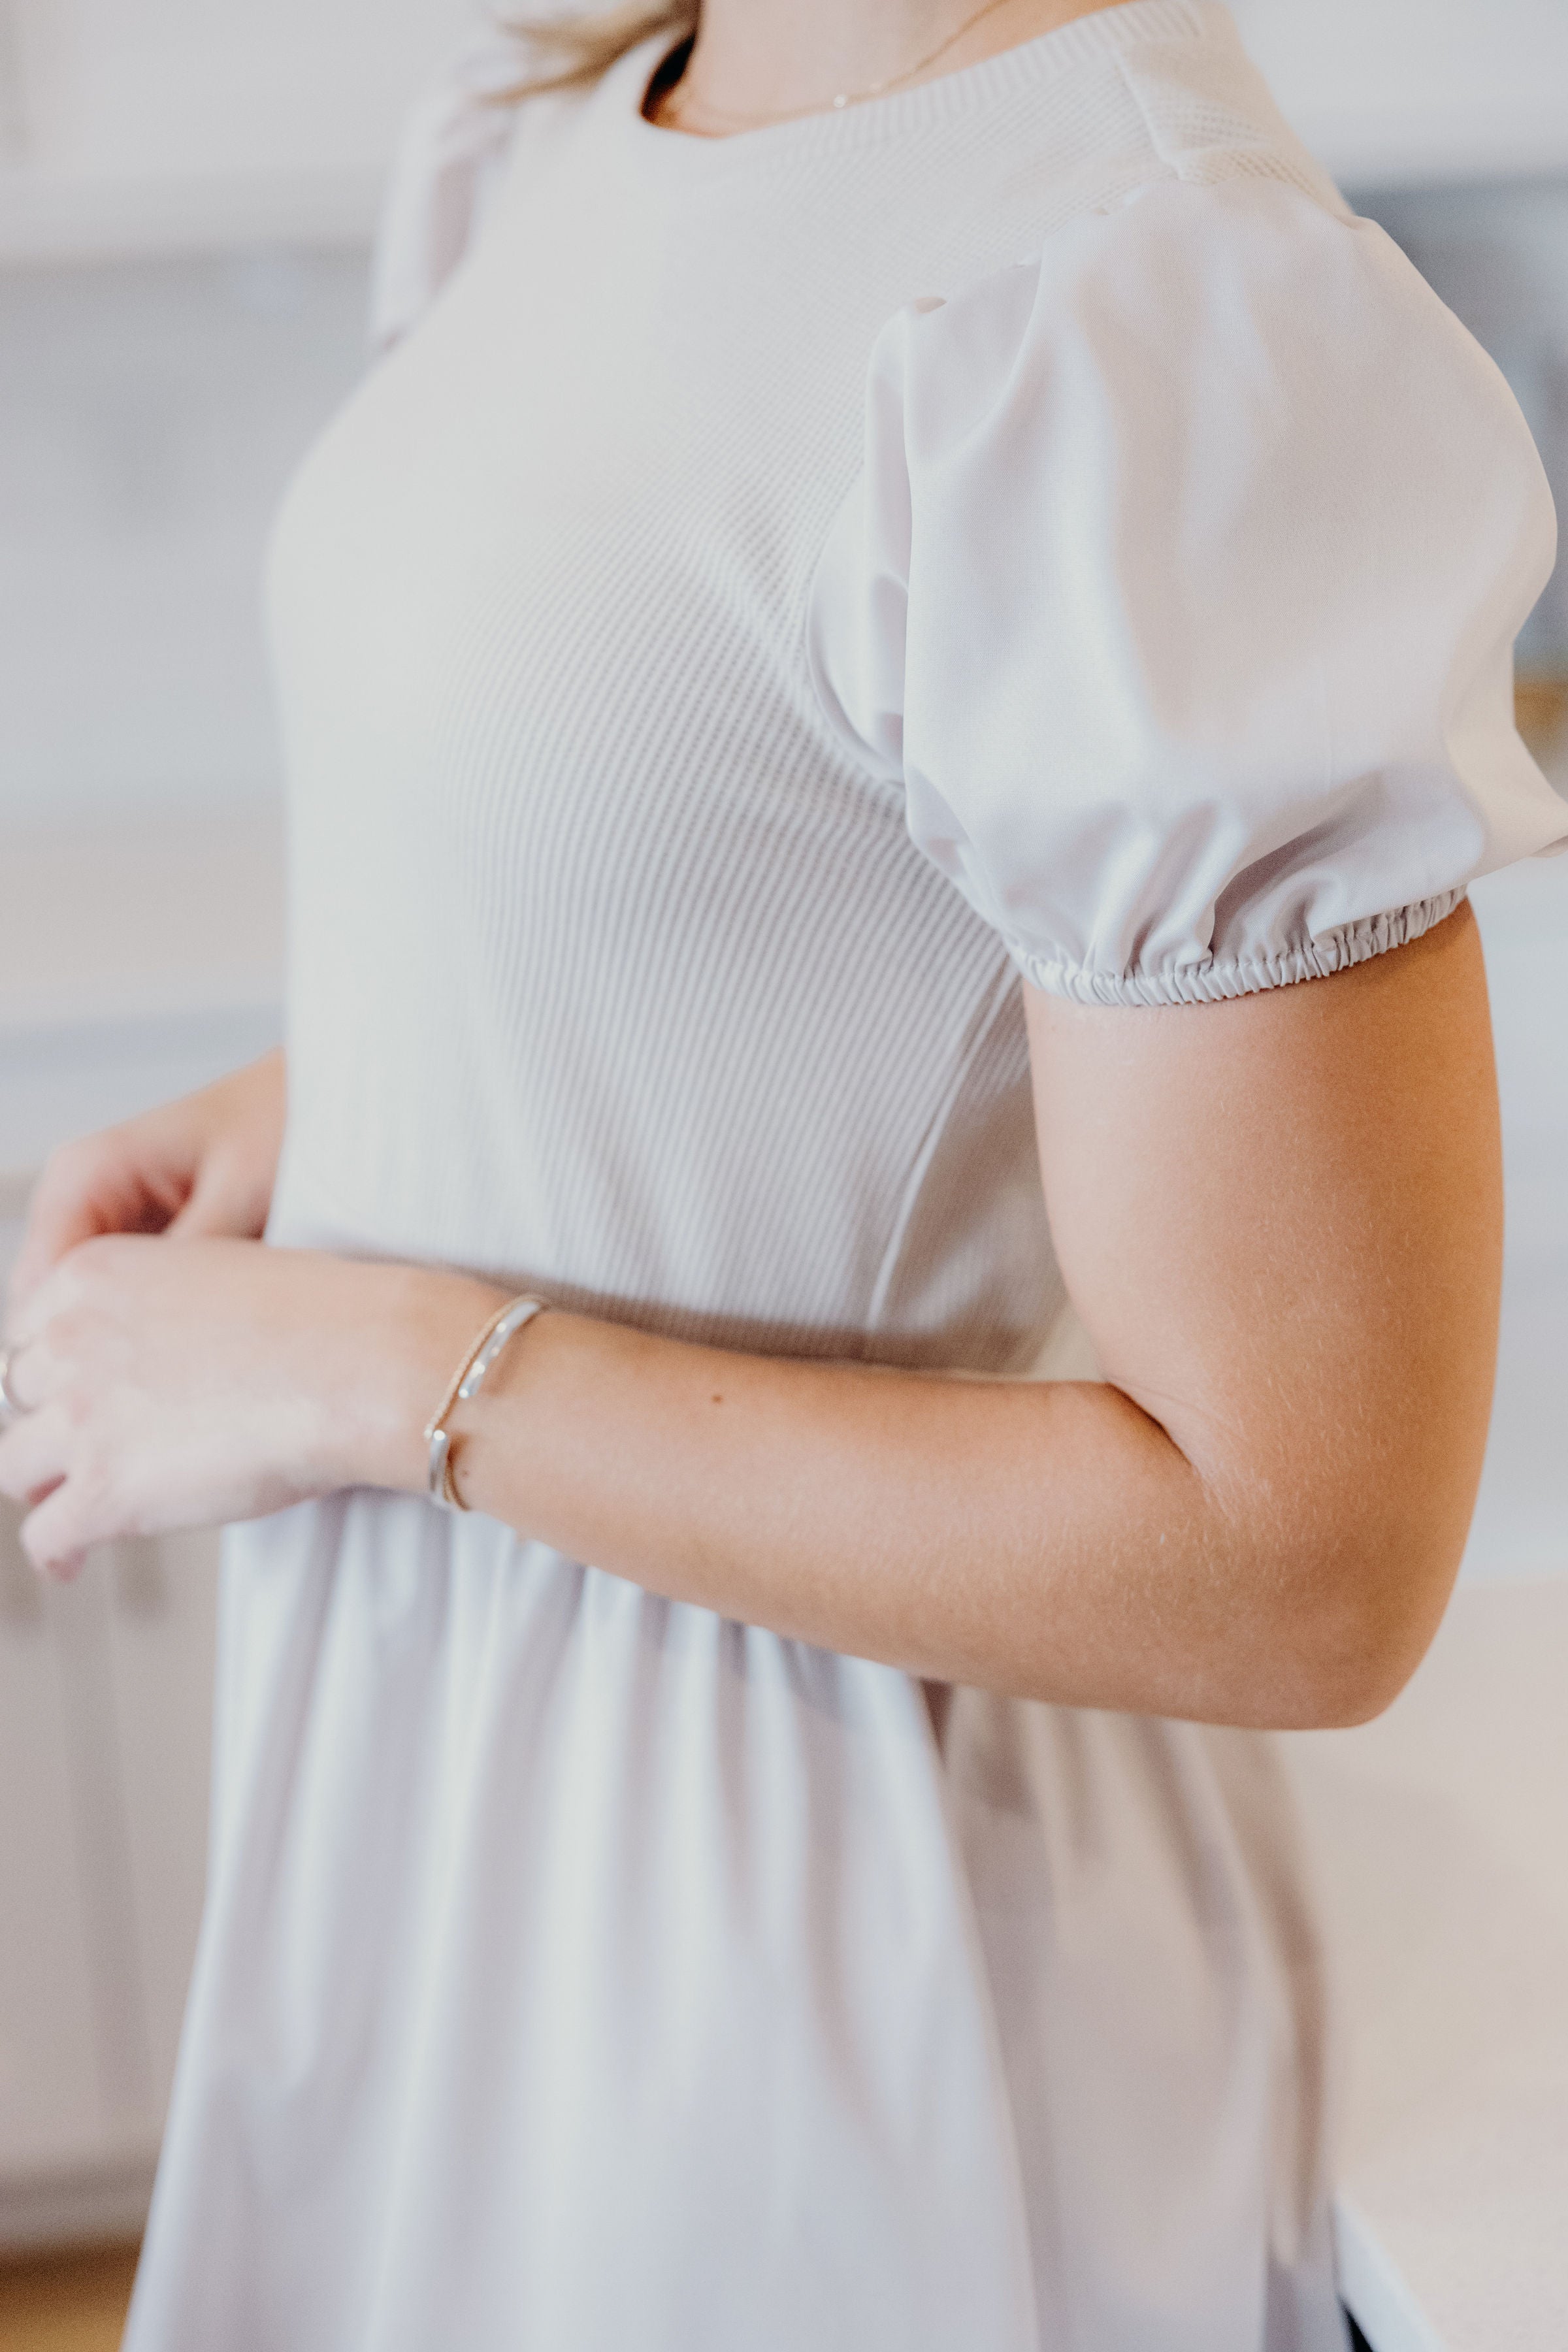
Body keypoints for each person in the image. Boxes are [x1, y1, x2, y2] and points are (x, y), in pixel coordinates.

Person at [1, 1, 1563, 2344]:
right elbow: (705, 850)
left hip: (804, 1936)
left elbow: (1297, 1561)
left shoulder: (1119, 301)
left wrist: (369, 1369)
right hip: (431, 1805)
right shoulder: (585, 107)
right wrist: (310, 1111)